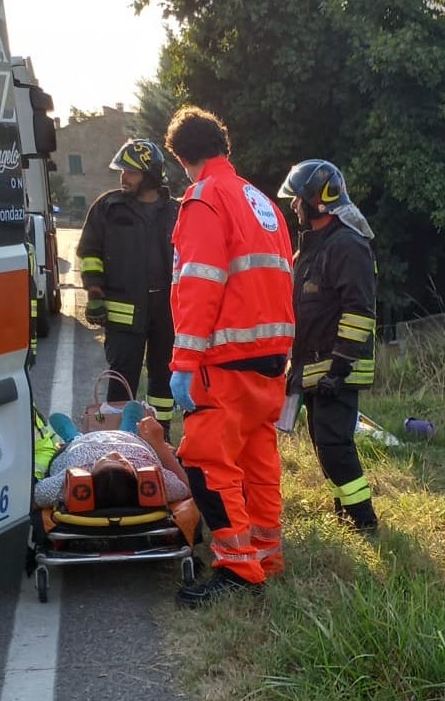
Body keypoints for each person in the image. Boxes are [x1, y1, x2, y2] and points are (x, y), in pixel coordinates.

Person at [165, 106, 295, 607]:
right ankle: (265, 554)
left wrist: (183, 362)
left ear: (182, 159)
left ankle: (238, 569)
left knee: (205, 461)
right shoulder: (262, 202)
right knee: (258, 459)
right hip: (270, 361)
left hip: (223, 361)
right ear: (224, 147)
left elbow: (199, 284)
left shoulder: (204, 198)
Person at [278, 159, 380, 535]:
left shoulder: (348, 246)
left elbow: (359, 312)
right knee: (324, 444)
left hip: (337, 367)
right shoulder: (314, 247)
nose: (293, 206)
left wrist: (339, 368)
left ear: (317, 202)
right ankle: (345, 511)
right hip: (314, 366)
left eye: (297, 199)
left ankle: (364, 522)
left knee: (335, 446)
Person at [77, 139, 180, 434]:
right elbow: (89, 252)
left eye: (131, 172)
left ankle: (159, 437)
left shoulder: (177, 211)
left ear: (150, 175)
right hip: (122, 317)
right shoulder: (108, 207)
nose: (123, 177)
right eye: (122, 171)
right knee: (121, 381)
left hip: (167, 315)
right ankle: (118, 439)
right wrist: (94, 293)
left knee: (163, 382)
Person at [33, 404, 191, 509]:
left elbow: (35, 496)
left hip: (82, 443)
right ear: (134, 473)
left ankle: (72, 435)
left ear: (90, 472)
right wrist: (159, 445)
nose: (114, 454)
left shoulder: (69, 480)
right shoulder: (151, 479)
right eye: (123, 462)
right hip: (129, 440)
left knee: (59, 421)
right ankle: (128, 427)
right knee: (132, 413)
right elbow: (186, 487)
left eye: (106, 460)